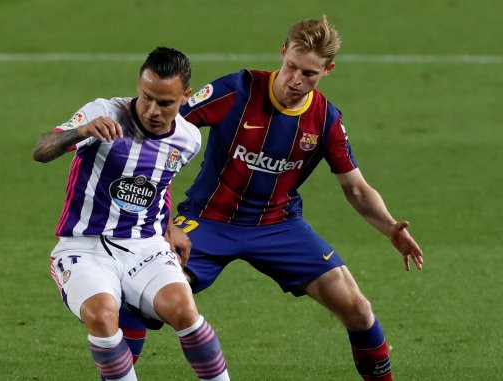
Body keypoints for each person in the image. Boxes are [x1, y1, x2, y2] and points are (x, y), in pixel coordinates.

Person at [121, 17, 424, 380]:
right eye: (292, 66)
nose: (296, 79)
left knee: (358, 309)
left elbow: (355, 187)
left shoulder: (325, 119)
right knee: (147, 298)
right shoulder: (237, 90)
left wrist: (390, 227)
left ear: (327, 70)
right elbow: (160, 127)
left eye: (309, 74)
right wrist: (165, 223)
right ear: (283, 52)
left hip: (279, 227)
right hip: (208, 220)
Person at [32, 47, 230, 381]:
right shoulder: (104, 112)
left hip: (145, 247)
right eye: (146, 97)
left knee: (184, 311)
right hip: (86, 246)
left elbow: (159, 183)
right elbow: (41, 150)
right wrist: (81, 132)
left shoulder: (188, 138)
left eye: (164, 102)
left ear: (185, 97)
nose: (152, 110)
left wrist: (169, 227)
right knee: (103, 315)